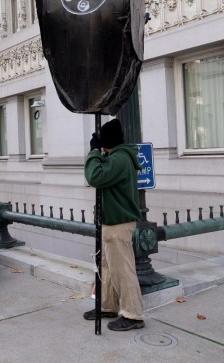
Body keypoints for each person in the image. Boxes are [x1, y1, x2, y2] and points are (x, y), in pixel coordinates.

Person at [83, 119, 145, 331]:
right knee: (107, 269)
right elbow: (94, 179)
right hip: (111, 222)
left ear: (106, 141)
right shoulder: (114, 157)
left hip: (118, 223)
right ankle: (107, 305)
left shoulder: (119, 159)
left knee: (122, 270)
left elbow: (94, 176)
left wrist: (93, 152)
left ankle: (133, 315)